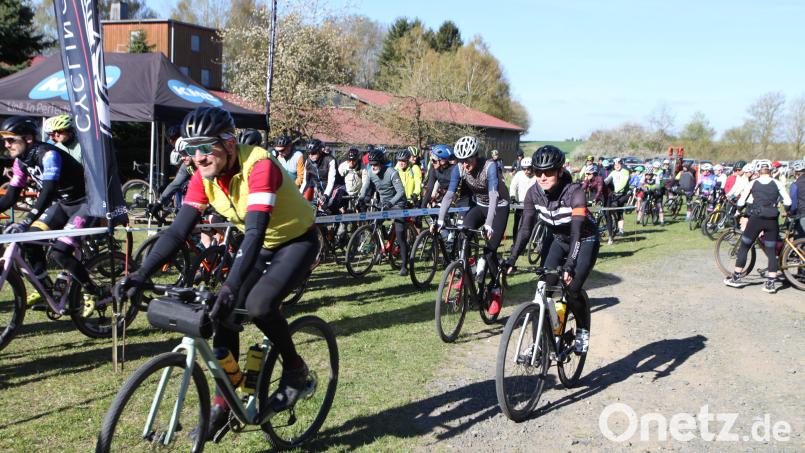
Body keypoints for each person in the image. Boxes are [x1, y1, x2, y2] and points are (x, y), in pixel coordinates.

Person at [118, 106, 317, 440]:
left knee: (258, 305)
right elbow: (177, 232)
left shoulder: (260, 166)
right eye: (190, 149)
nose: (198, 157)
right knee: (222, 311)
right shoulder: (202, 176)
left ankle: (296, 372)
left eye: (205, 147)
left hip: (296, 240)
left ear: (227, 143)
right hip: (261, 243)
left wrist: (230, 285)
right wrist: (141, 273)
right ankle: (224, 403)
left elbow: (254, 232)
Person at [502, 145, 599, 353]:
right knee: (543, 289)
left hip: (584, 239)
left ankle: (582, 329)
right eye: (538, 172)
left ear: (560, 171)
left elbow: (576, 233)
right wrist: (511, 258)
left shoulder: (575, 193)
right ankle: (540, 344)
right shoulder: (533, 193)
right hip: (556, 239)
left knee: (572, 289)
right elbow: (525, 229)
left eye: (549, 172)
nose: (543, 177)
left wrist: (570, 264)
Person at [0, 116, 104, 307]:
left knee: (59, 253)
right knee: (29, 241)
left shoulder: (48, 154)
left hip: (86, 204)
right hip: (63, 204)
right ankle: (46, 289)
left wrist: (27, 219)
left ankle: (92, 290)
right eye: (4, 140)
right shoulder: (21, 162)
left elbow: (48, 190)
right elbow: (10, 196)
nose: (6, 145)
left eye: (11, 139)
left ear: (28, 139)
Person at [432, 136, 509, 315]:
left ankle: (496, 289)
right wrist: (441, 220)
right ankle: (466, 271)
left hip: (498, 207)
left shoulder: (489, 166)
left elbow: (493, 196)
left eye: (468, 160)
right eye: (461, 161)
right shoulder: (459, 169)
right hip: (478, 206)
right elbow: (450, 195)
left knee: (490, 252)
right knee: (462, 233)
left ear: (476, 156)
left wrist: (489, 225)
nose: (465, 165)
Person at [724, 160, 791, 293]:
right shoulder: (777, 183)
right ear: (771, 170)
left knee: (745, 246)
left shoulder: (753, 183)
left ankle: (736, 278)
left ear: (758, 170)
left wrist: (739, 208)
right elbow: (788, 201)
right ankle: (771, 284)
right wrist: (786, 209)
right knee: (771, 251)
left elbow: (742, 201)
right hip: (772, 219)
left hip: (756, 218)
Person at [358, 149, 409, 276]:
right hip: (383, 204)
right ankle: (379, 249)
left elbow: (401, 192)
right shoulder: (370, 172)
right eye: (371, 164)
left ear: (381, 163)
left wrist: (390, 203)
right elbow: (365, 186)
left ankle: (404, 265)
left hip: (397, 204)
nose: (373, 167)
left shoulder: (392, 172)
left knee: (400, 233)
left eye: (375, 164)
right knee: (373, 224)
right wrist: (361, 197)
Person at [300, 139, 339, 205]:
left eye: (313, 153)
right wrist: (299, 196)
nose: (310, 156)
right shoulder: (308, 162)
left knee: (331, 205)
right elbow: (305, 182)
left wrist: (326, 195)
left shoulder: (330, 160)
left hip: (335, 188)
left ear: (320, 151)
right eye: (309, 153)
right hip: (320, 190)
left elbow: (331, 182)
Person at [509, 156, 536, 239]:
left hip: (533, 205)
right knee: (517, 224)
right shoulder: (519, 175)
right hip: (520, 204)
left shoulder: (536, 176)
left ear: (532, 167)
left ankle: (535, 244)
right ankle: (515, 242)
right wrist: (513, 196)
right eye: (524, 169)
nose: (526, 171)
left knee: (532, 225)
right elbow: (513, 186)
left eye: (528, 169)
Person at [604, 158, 630, 236]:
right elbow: (607, 180)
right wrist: (601, 185)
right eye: (615, 165)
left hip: (623, 194)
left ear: (621, 164)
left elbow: (624, 183)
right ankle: (614, 224)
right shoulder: (613, 172)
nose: (617, 166)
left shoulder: (625, 172)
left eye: (618, 164)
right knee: (610, 208)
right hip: (615, 194)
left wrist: (617, 190)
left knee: (619, 210)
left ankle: (621, 230)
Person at [788, 160, 805, 238]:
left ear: (795, 173)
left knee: (799, 241)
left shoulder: (795, 185)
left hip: (802, 214)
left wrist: (790, 212)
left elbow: (793, 204)